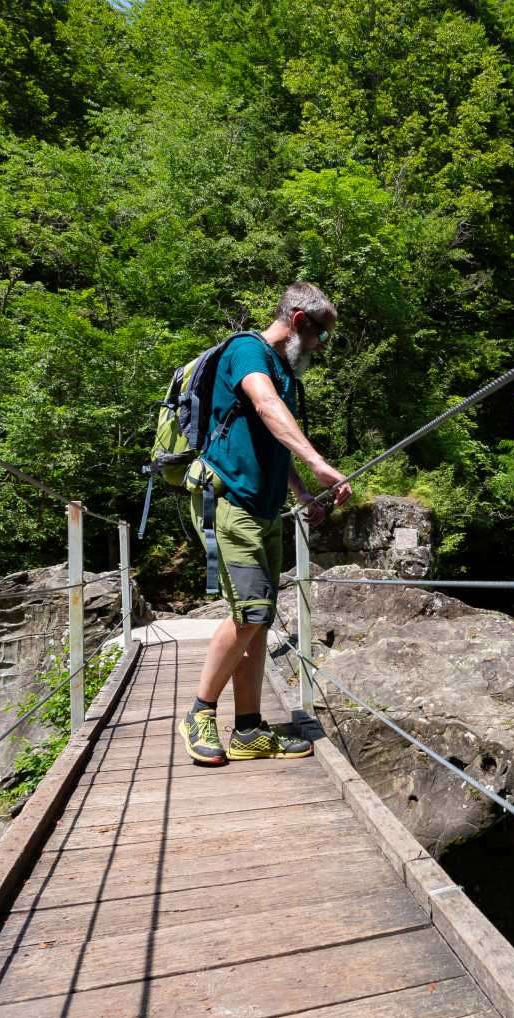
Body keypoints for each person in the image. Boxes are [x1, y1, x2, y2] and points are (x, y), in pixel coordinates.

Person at [178, 282, 352, 765]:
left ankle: (249, 730)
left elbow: (276, 437)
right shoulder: (246, 351)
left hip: (266, 506)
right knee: (250, 613)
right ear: (299, 321)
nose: (320, 346)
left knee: (260, 618)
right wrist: (318, 462)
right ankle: (199, 712)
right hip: (229, 501)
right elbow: (264, 407)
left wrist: (301, 492)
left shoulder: (287, 375)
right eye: (321, 334)